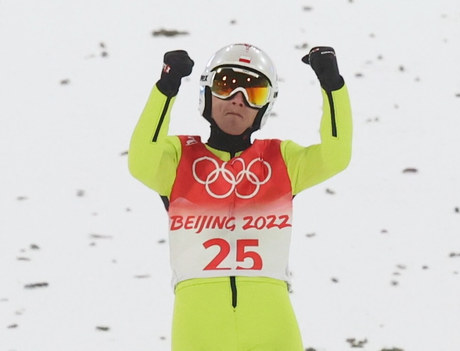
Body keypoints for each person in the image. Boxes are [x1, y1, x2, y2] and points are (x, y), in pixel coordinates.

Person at [128, 43, 352, 350]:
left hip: (271, 321)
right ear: (206, 92)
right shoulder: (178, 157)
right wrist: (166, 88)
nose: (238, 100)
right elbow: (141, 161)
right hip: (199, 323)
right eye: (226, 85)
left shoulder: (281, 159)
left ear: (265, 107)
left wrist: (332, 86)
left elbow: (336, 156)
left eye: (254, 93)